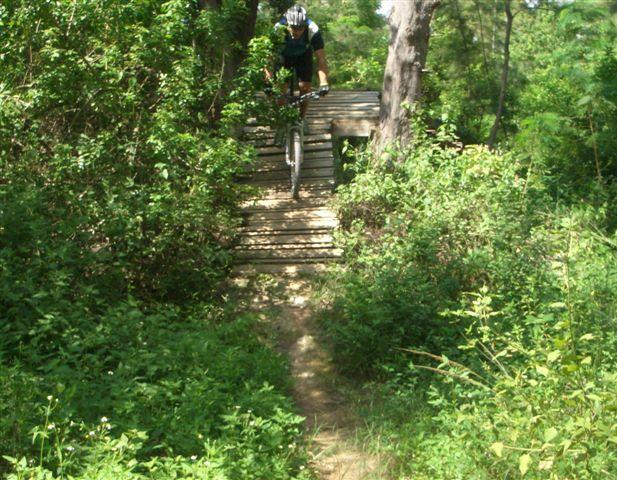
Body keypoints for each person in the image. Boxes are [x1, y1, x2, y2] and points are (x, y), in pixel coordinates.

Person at [266, 5, 331, 126]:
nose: (297, 31)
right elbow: (268, 58)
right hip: (284, 56)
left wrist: (323, 83)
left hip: (303, 55)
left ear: (305, 25)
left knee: (305, 88)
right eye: (294, 28)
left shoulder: (313, 30)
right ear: (287, 25)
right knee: (281, 89)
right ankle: (281, 119)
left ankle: (301, 118)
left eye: (300, 28)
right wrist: (268, 81)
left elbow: (321, 59)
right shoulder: (278, 29)